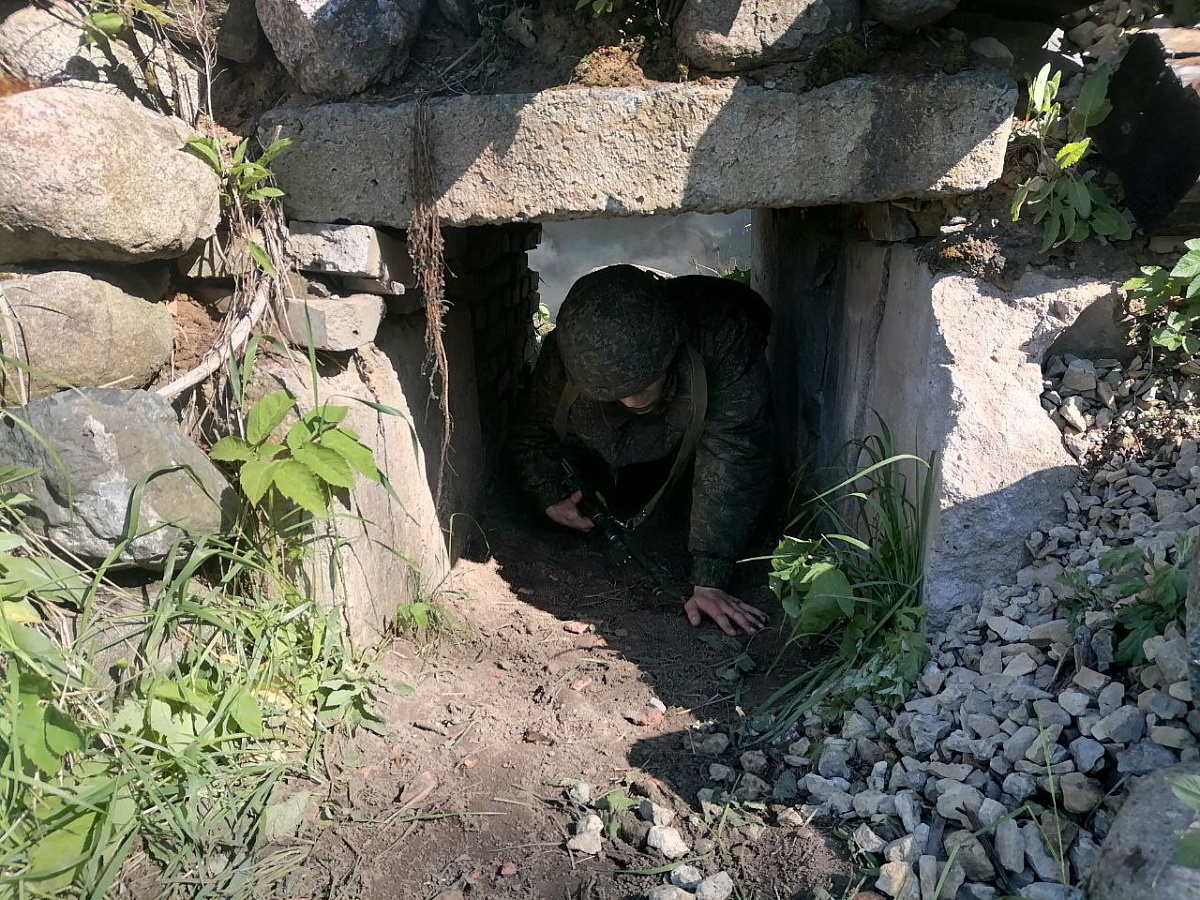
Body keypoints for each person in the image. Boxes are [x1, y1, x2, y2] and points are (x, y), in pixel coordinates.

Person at [508, 264, 778, 635]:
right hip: (605, 452)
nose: (633, 401)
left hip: (688, 448)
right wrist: (549, 493)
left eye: (643, 385)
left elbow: (736, 450)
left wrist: (710, 577)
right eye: (618, 393)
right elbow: (532, 428)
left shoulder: (722, 337)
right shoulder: (571, 356)